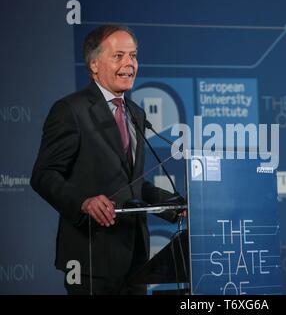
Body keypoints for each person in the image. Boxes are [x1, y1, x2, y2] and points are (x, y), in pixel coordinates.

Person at [31, 24, 181, 295]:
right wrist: (83, 203)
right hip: (91, 257)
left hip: (136, 260)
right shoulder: (70, 110)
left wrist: (175, 206)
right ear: (94, 64)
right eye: (119, 56)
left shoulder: (135, 113)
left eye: (133, 55)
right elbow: (44, 175)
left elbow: (134, 184)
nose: (129, 64)